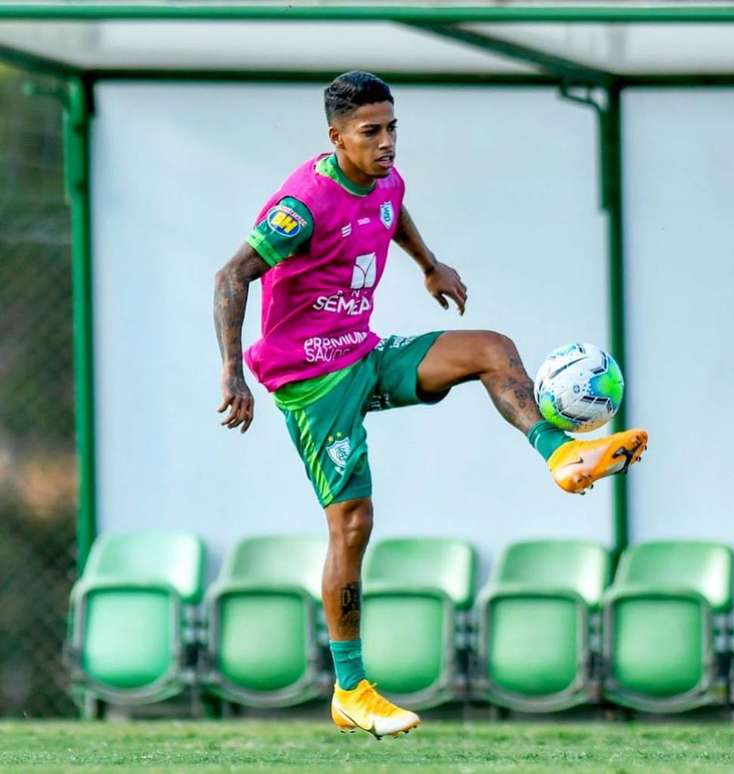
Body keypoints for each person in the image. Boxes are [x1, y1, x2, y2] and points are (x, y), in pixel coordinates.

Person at [213, 71, 647, 738]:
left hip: (362, 353)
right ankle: (351, 688)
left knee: (491, 348)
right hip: (311, 381)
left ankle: (562, 457)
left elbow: (391, 210)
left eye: (392, 128)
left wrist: (429, 264)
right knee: (353, 523)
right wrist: (232, 374)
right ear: (336, 138)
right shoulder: (302, 205)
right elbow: (232, 274)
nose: (387, 143)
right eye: (370, 132)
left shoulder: (386, 178)